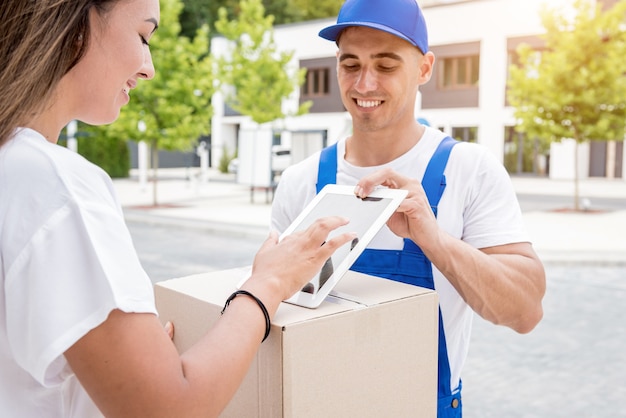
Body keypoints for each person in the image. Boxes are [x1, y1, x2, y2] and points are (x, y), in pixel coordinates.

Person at [0, 1, 355, 417]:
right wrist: (269, 284)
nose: (149, 67)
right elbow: (170, 409)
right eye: (143, 37)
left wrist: (137, 365)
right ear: (75, 25)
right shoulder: (57, 184)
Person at [271, 0, 546, 416]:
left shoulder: (468, 169)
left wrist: (433, 239)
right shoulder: (301, 182)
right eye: (350, 65)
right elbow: (271, 313)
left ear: (424, 69)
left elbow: (525, 312)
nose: (364, 84)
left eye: (385, 65)